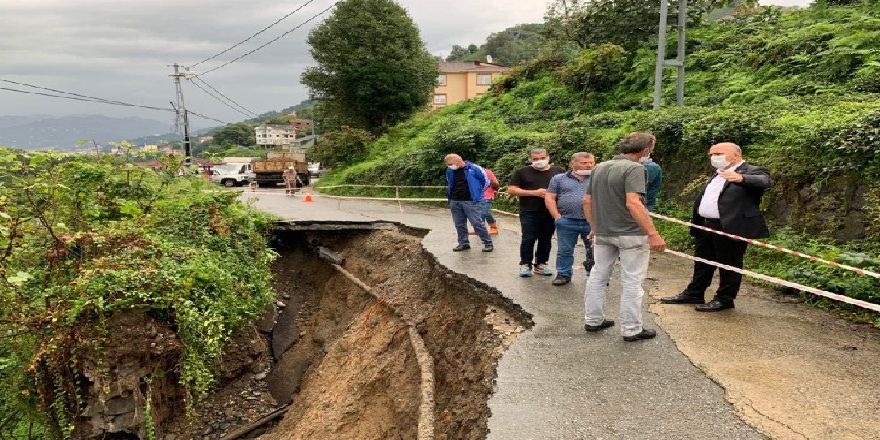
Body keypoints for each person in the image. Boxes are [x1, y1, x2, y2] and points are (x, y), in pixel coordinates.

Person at [659, 142, 771, 312]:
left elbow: (763, 181)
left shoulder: (752, 171)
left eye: (718, 153)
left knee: (729, 264)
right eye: (711, 154)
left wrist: (742, 178)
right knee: (702, 262)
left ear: (735, 154)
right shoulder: (718, 174)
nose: (714, 158)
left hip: (730, 227)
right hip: (706, 225)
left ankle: (725, 299)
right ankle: (695, 293)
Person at [583, 132, 666, 342]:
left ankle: (593, 320)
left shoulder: (599, 167)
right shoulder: (635, 168)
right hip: (631, 234)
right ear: (646, 150)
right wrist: (653, 233)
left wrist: (594, 226)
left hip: (603, 232)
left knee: (598, 276)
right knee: (632, 281)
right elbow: (633, 202)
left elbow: (587, 200)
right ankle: (631, 329)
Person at [507, 148, 565, 277]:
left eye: (542, 158)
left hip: (551, 211)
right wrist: (534, 192)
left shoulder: (559, 171)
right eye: (535, 159)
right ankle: (525, 264)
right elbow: (511, 189)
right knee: (528, 237)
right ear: (530, 159)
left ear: (548, 157)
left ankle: (541, 264)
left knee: (546, 238)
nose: (539, 161)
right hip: (529, 210)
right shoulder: (522, 172)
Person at [545, 152, 596, 286]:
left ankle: (595, 276)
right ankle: (563, 274)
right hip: (567, 221)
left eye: (591, 162)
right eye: (584, 163)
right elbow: (550, 197)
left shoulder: (598, 178)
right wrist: (557, 216)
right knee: (565, 250)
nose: (589, 165)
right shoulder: (559, 179)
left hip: (592, 222)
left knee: (594, 250)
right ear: (572, 163)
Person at [444, 154, 494, 253]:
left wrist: (477, 193)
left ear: (459, 161)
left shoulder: (474, 168)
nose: (450, 166)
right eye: (448, 165)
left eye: (451, 164)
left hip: (471, 200)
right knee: (459, 223)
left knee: (477, 223)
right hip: (455, 200)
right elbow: (449, 182)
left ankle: (488, 243)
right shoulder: (450, 170)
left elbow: (485, 182)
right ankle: (463, 243)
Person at [469, 168, 500, 235]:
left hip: (488, 197)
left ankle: (493, 228)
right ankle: (478, 229)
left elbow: (495, 183)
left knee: (485, 212)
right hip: (478, 197)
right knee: (478, 214)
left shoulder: (487, 172)